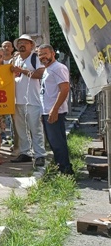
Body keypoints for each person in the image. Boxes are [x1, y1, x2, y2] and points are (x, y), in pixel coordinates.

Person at [9, 34, 46, 167]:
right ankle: (25, 153)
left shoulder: (35, 58)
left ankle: (40, 155)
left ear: (31, 45)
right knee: (21, 129)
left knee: (35, 129)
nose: (22, 45)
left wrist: (22, 71)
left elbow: (41, 74)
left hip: (33, 100)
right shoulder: (16, 59)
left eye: (25, 42)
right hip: (17, 101)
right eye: (20, 43)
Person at [38, 44, 73, 174]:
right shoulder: (47, 69)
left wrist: (54, 109)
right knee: (54, 143)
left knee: (57, 143)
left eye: (45, 53)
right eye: (40, 54)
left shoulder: (58, 68)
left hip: (54, 111)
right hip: (47, 111)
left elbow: (64, 89)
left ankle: (65, 170)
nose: (42, 57)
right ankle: (62, 167)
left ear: (53, 53)